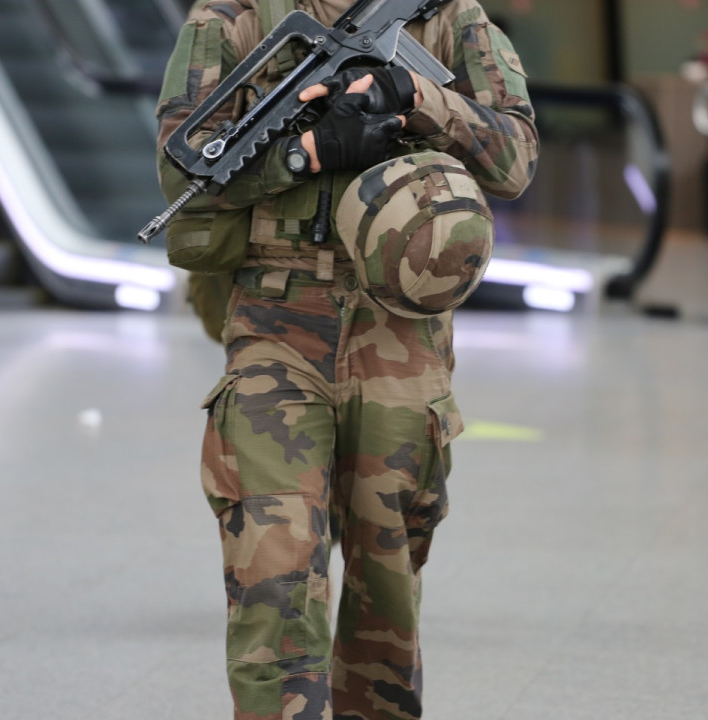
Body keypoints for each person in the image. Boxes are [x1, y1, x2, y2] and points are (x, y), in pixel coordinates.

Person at [154, 1, 538, 718]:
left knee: (384, 604)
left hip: (401, 339)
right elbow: (183, 178)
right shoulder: (232, 18)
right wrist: (303, 155)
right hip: (277, 324)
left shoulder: (451, 18)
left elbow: (514, 161)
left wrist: (418, 96)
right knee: (275, 586)